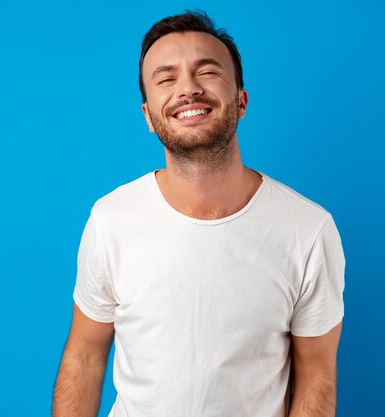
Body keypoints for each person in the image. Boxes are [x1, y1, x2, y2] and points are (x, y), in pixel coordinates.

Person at [52, 10, 345, 417]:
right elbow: (84, 354)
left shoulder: (309, 230)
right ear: (149, 117)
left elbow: (316, 375)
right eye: (166, 78)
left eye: (207, 72)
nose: (187, 90)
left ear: (241, 101)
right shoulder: (110, 219)